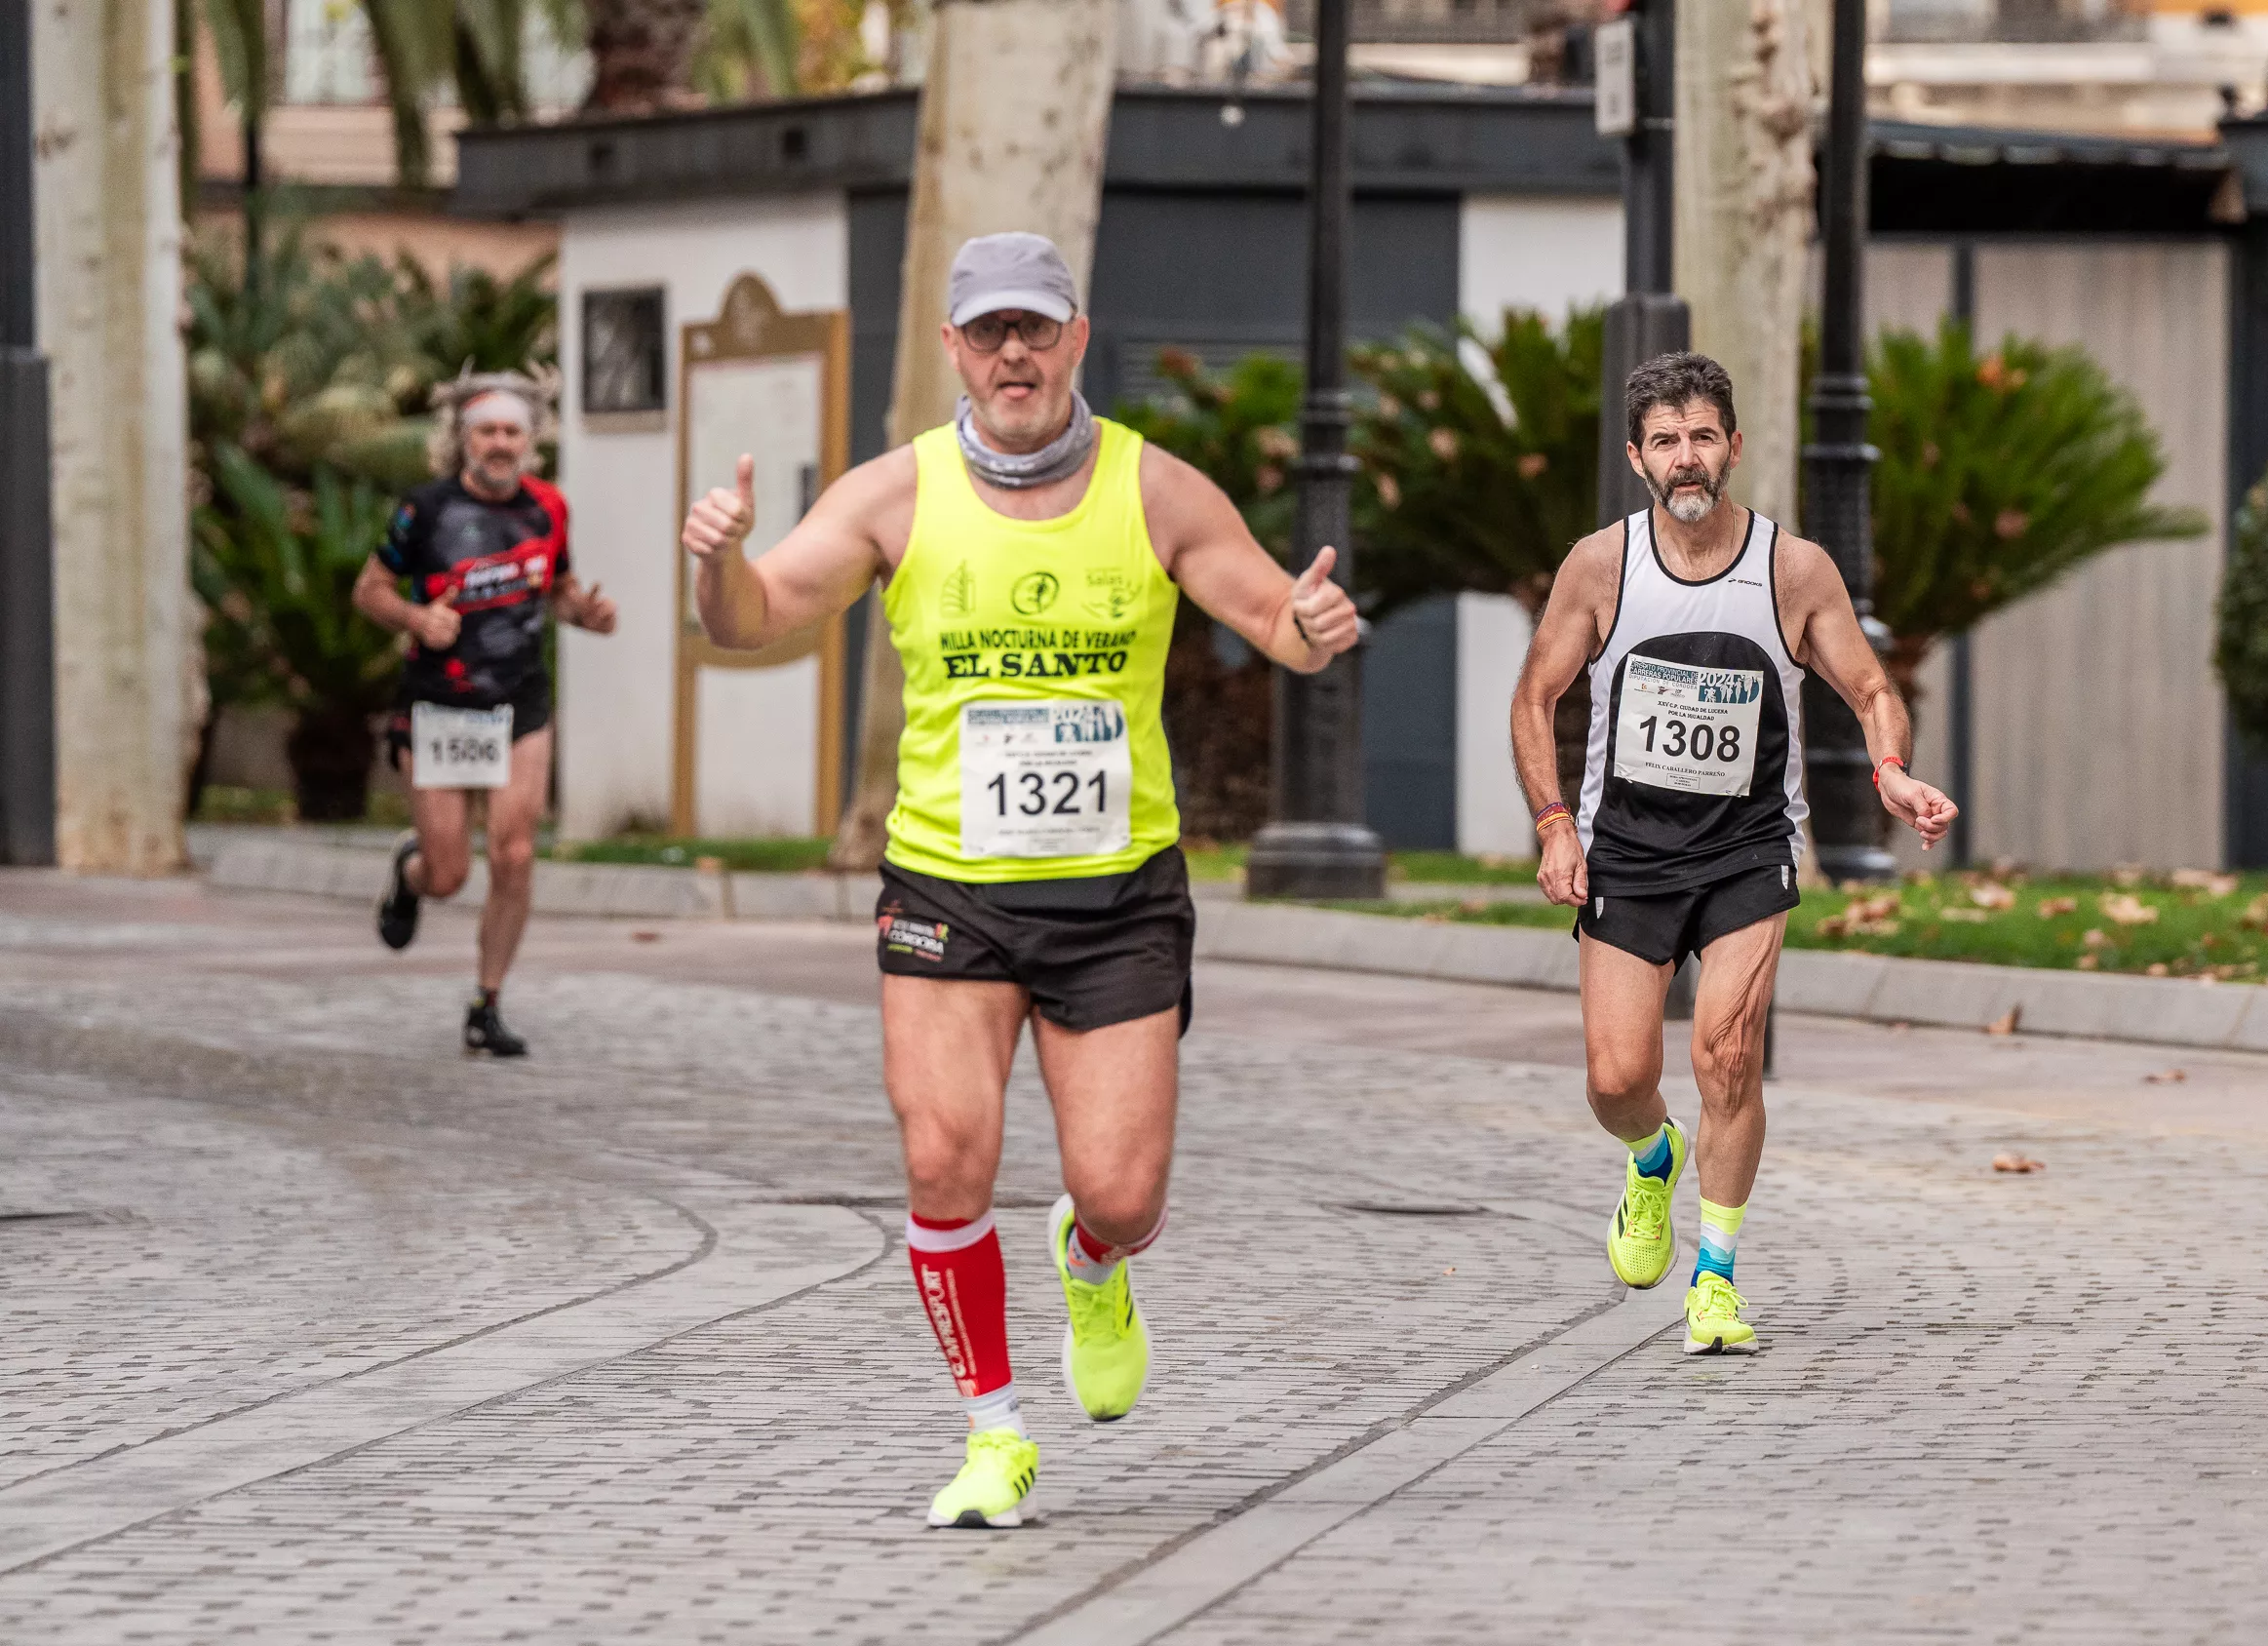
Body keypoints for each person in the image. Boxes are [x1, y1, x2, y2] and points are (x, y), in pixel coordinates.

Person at [677, 232, 1362, 1529]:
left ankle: (1092, 1258)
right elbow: (752, 616)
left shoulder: (1157, 490)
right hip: (948, 888)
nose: (1012, 353)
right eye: (987, 331)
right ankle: (993, 1430)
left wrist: (1311, 631)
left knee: (1122, 1191)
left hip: (1116, 898)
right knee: (944, 1160)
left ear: (1076, 340)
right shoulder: (895, 495)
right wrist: (717, 555)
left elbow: (1274, 617)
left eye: (1034, 329)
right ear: (951, 348)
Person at [1507, 351, 1956, 1356]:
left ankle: (1713, 1275)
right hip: (1627, 846)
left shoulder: (1791, 570)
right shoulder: (1602, 565)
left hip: (1749, 848)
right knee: (1616, 1076)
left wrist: (1890, 771)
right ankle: (1652, 1155)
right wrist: (1554, 824)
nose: (1687, 456)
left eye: (1704, 435)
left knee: (1727, 1052)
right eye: (1665, 440)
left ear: (1735, 446)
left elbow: (1872, 686)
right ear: (1636, 456)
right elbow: (1535, 695)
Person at [357, 374, 617, 1057]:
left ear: (530, 444)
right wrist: (415, 616)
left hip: (519, 701)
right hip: (441, 704)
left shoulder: (548, 509)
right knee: (450, 875)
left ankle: (487, 1001)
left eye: (512, 433)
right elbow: (369, 589)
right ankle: (412, 875)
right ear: (462, 441)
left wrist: (584, 613)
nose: (500, 445)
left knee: (515, 854)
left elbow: (555, 588)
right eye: (487, 432)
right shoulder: (425, 511)